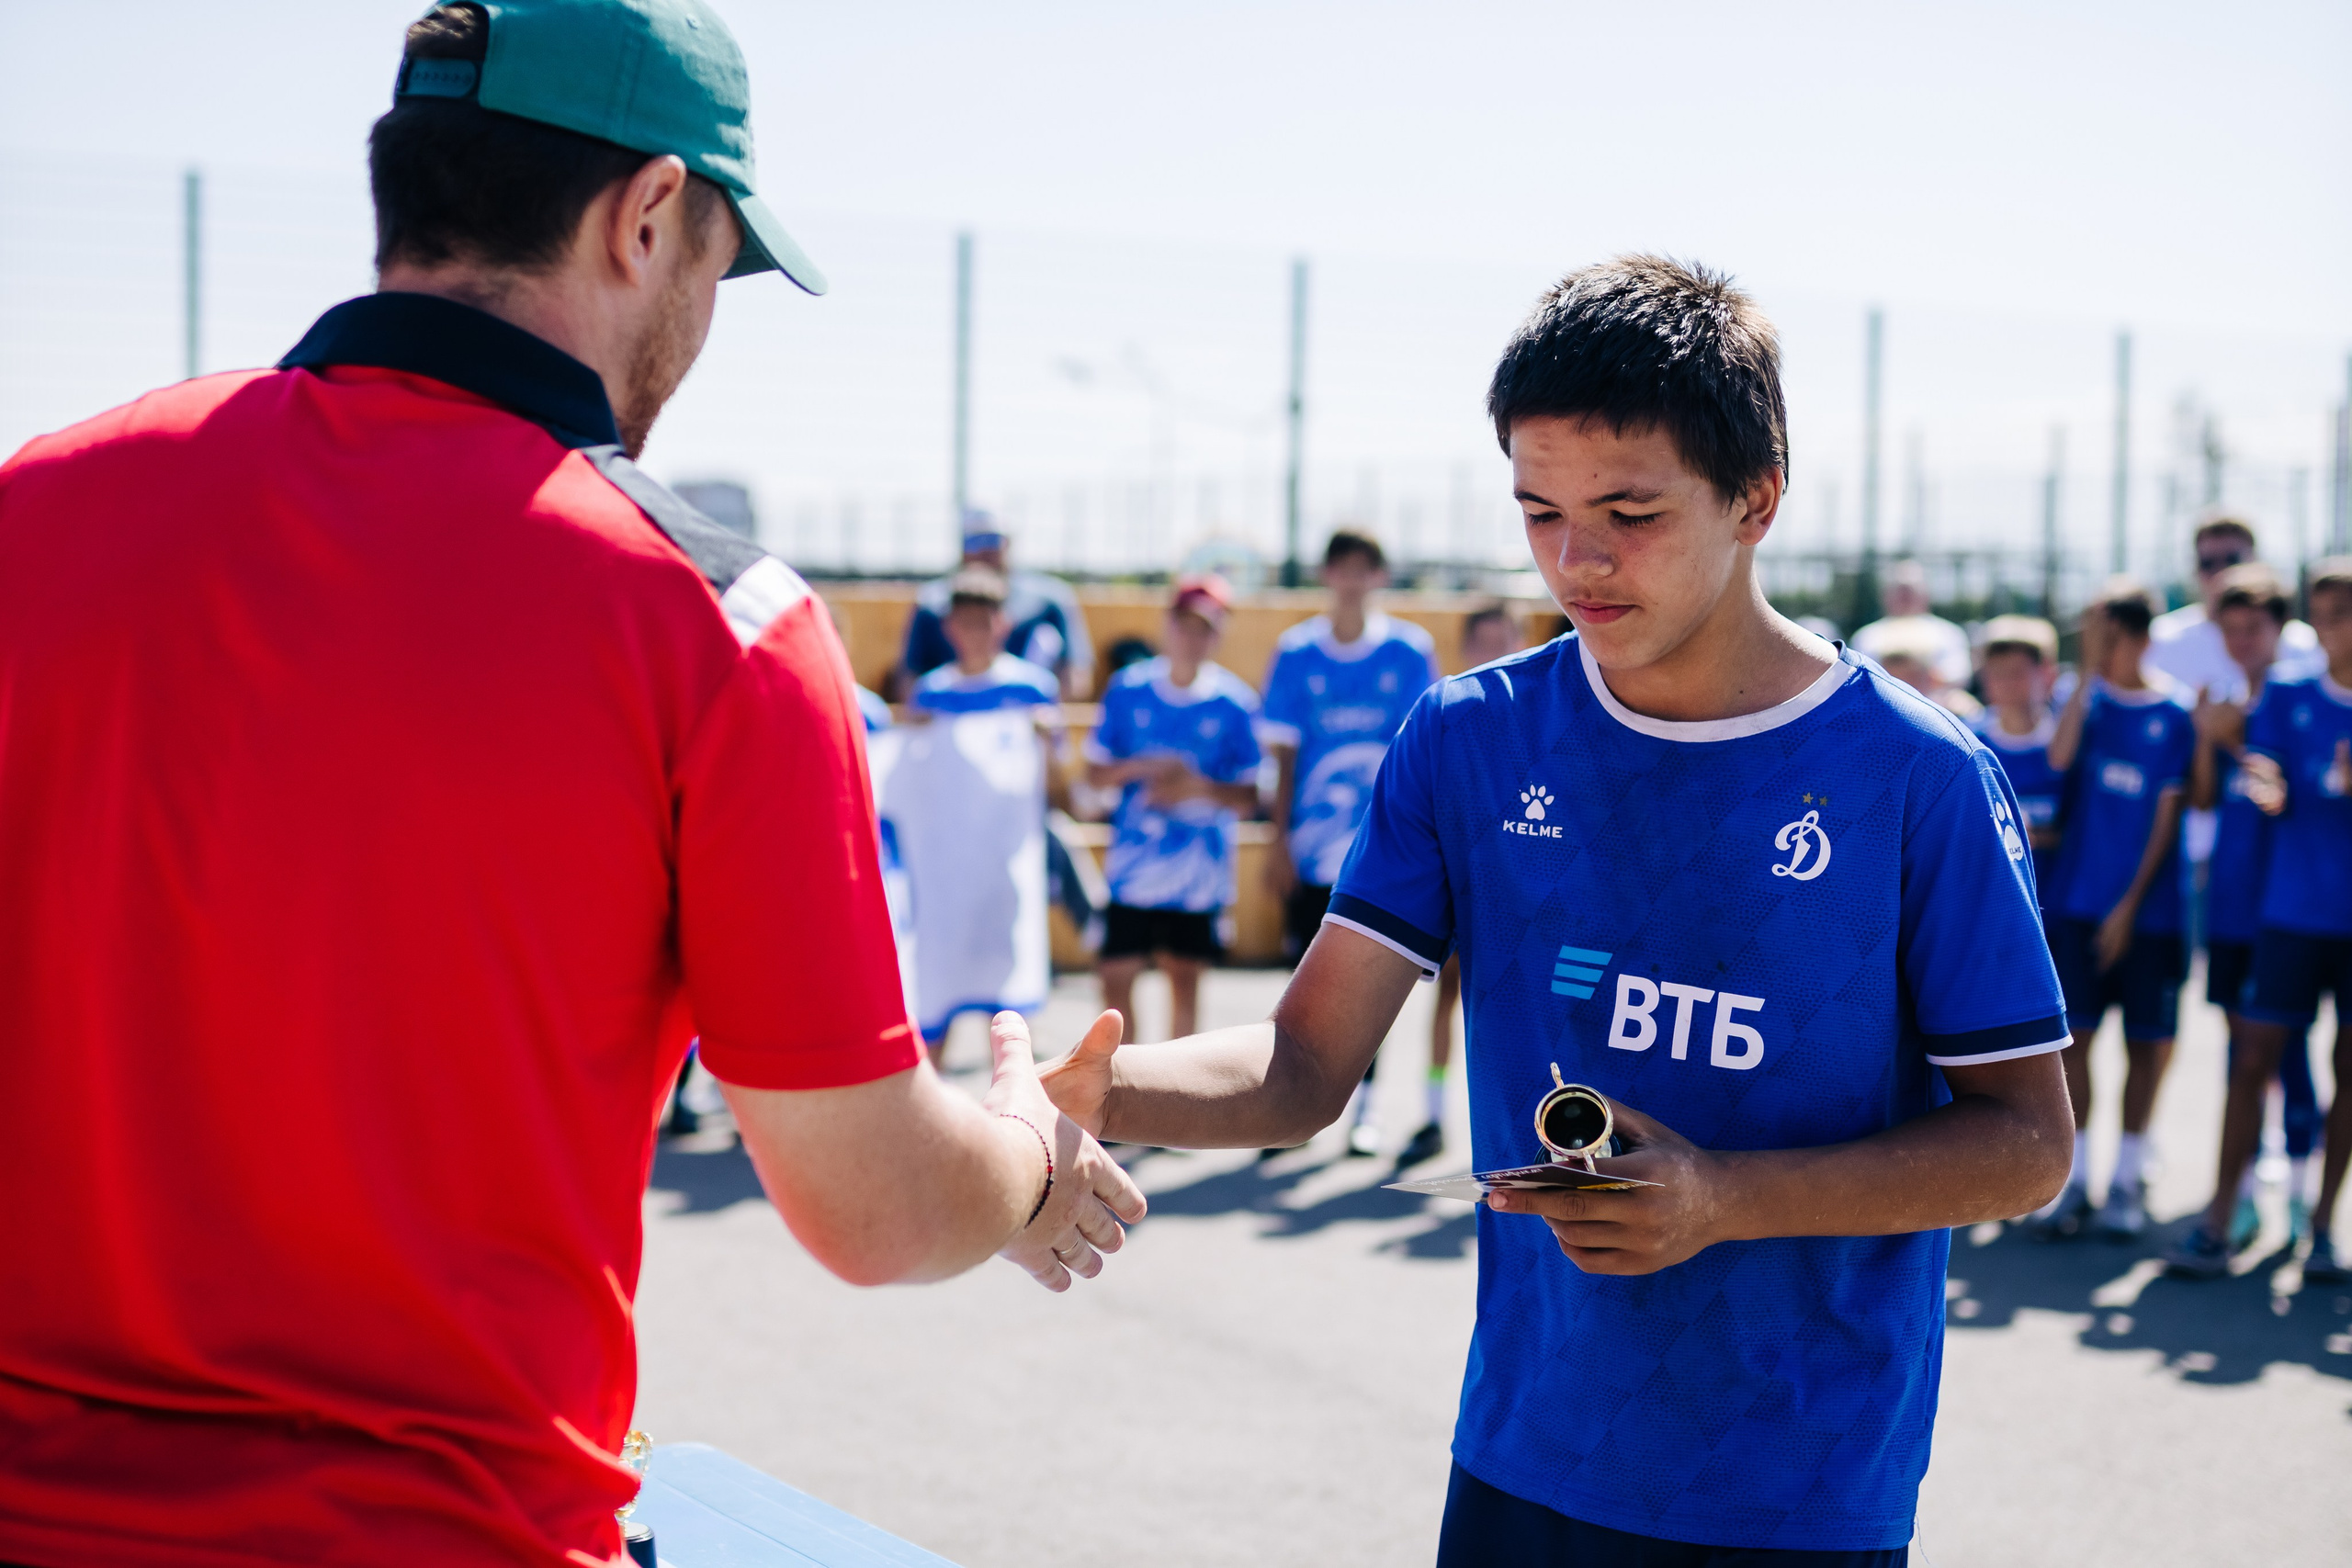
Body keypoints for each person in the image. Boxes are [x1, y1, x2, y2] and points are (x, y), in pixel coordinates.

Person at [0, 6, 1144, 1563]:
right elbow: (871, 1202)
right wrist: (1023, 1150)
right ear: (648, 213)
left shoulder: (36, 510)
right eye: (717, 265)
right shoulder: (713, 618)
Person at [1034, 255, 2072, 1565]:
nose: (1576, 559)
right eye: (1538, 510)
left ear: (1757, 498)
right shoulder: (1471, 738)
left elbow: (2027, 1141)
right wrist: (1096, 1092)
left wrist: (1721, 1195)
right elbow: (1303, 1062)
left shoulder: (1916, 776)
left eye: (1629, 511)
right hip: (1528, 1452)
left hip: (1797, 1484)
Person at [2165, 558, 2352, 1283]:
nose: (2340, 627)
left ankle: (2324, 1227)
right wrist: (2265, 779)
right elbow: (2261, 771)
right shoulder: (2289, 694)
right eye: (2330, 614)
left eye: (2348, 613)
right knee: (2251, 1061)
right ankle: (2218, 1219)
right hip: (2291, 915)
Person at [1259, 530, 1441, 1156]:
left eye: (1365, 567)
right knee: (1299, 987)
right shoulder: (1295, 651)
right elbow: (1281, 755)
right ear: (1327, 572)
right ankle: (1289, 1112)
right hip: (1310, 849)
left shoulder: (1409, 650)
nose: (1353, 578)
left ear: (1379, 575)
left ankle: (1364, 1112)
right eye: (1343, 566)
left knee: (1369, 989)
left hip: (1379, 854)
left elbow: (1422, 759)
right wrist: (1276, 839)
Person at [2032, 581, 2196, 1242]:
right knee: (2078, 1047)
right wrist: (2087, 676)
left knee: (2146, 1048)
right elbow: (2058, 756)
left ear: (2135, 634)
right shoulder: (2087, 702)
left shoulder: (2174, 714)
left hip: (2149, 915)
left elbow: (2165, 816)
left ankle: (2127, 1179)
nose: (2094, 642)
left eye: (2104, 631)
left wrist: (2128, 907)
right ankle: (2076, 1182)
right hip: (2076, 906)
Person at [1083, 576, 1261, 1044]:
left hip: (1197, 879)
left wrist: (1194, 787)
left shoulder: (1235, 702)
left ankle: (1173, 1098)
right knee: (1115, 980)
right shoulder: (1128, 690)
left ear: (1218, 635)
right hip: (1133, 872)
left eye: (1206, 628)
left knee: (1184, 983)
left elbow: (1250, 795)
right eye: (1186, 625)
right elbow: (1095, 773)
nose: (1194, 637)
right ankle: (1124, 1089)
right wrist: (1146, 767)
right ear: (1168, 626)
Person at [900, 566, 1068, 1065]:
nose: (971, 631)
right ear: (948, 627)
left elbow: (1059, 782)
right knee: (938, 1002)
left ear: (1002, 622)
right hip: (945, 880)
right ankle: (933, 1127)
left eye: (983, 620)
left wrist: (1045, 741)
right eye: (962, 621)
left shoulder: (1033, 688)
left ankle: (1014, 1122)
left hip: (1004, 873)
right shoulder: (929, 693)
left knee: (1009, 1020)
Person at [1413, 601, 1526, 1168]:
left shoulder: (1547, 720)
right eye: (1482, 642)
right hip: (1461, 891)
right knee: (1444, 1001)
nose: (1495, 652)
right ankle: (1432, 1115)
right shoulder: (1450, 719)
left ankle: (1528, 1133)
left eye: (1504, 639)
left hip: (1525, 902)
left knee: (1517, 1017)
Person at [901, 513, 1095, 699]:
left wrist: (1031, 708)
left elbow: (1076, 677)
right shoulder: (931, 604)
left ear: (1004, 624)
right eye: (975, 541)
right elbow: (909, 681)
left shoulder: (1050, 601)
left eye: (992, 540)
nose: (984, 550)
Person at [1970, 615, 2065, 905]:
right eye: (1997, 672)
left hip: (2059, 909)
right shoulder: (1968, 741)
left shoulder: (2069, 743)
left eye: (2018, 672)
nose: (2007, 683)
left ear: (2047, 673)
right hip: (1991, 905)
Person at [1852, 558, 1971, 690]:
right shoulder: (1866, 636)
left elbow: (1956, 677)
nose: (1905, 598)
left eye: (1910, 591)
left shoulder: (1949, 633)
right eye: (1899, 591)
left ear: (1926, 593)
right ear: (1885, 595)